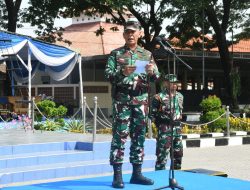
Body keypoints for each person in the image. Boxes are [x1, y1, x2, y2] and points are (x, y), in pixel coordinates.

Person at [105, 18, 160, 188]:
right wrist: (121, 72)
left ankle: (137, 174)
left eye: (133, 32)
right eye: (127, 32)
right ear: (123, 34)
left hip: (141, 102)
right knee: (119, 138)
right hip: (122, 101)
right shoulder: (116, 54)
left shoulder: (147, 54)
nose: (130, 35)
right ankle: (117, 176)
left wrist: (152, 72)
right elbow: (107, 74)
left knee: (139, 137)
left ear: (139, 34)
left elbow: (157, 76)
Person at [151, 74, 184, 171]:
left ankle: (177, 175)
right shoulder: (158, 97)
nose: (174, 85)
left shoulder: (180, 96)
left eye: (175, 83)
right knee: (162, 156)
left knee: (178, 155)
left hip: (177, 129)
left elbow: (180, 111)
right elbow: (152, 115)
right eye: (171, 83)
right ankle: (160, 177)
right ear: (165, 83)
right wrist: (158, 126)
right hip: (165, 129)